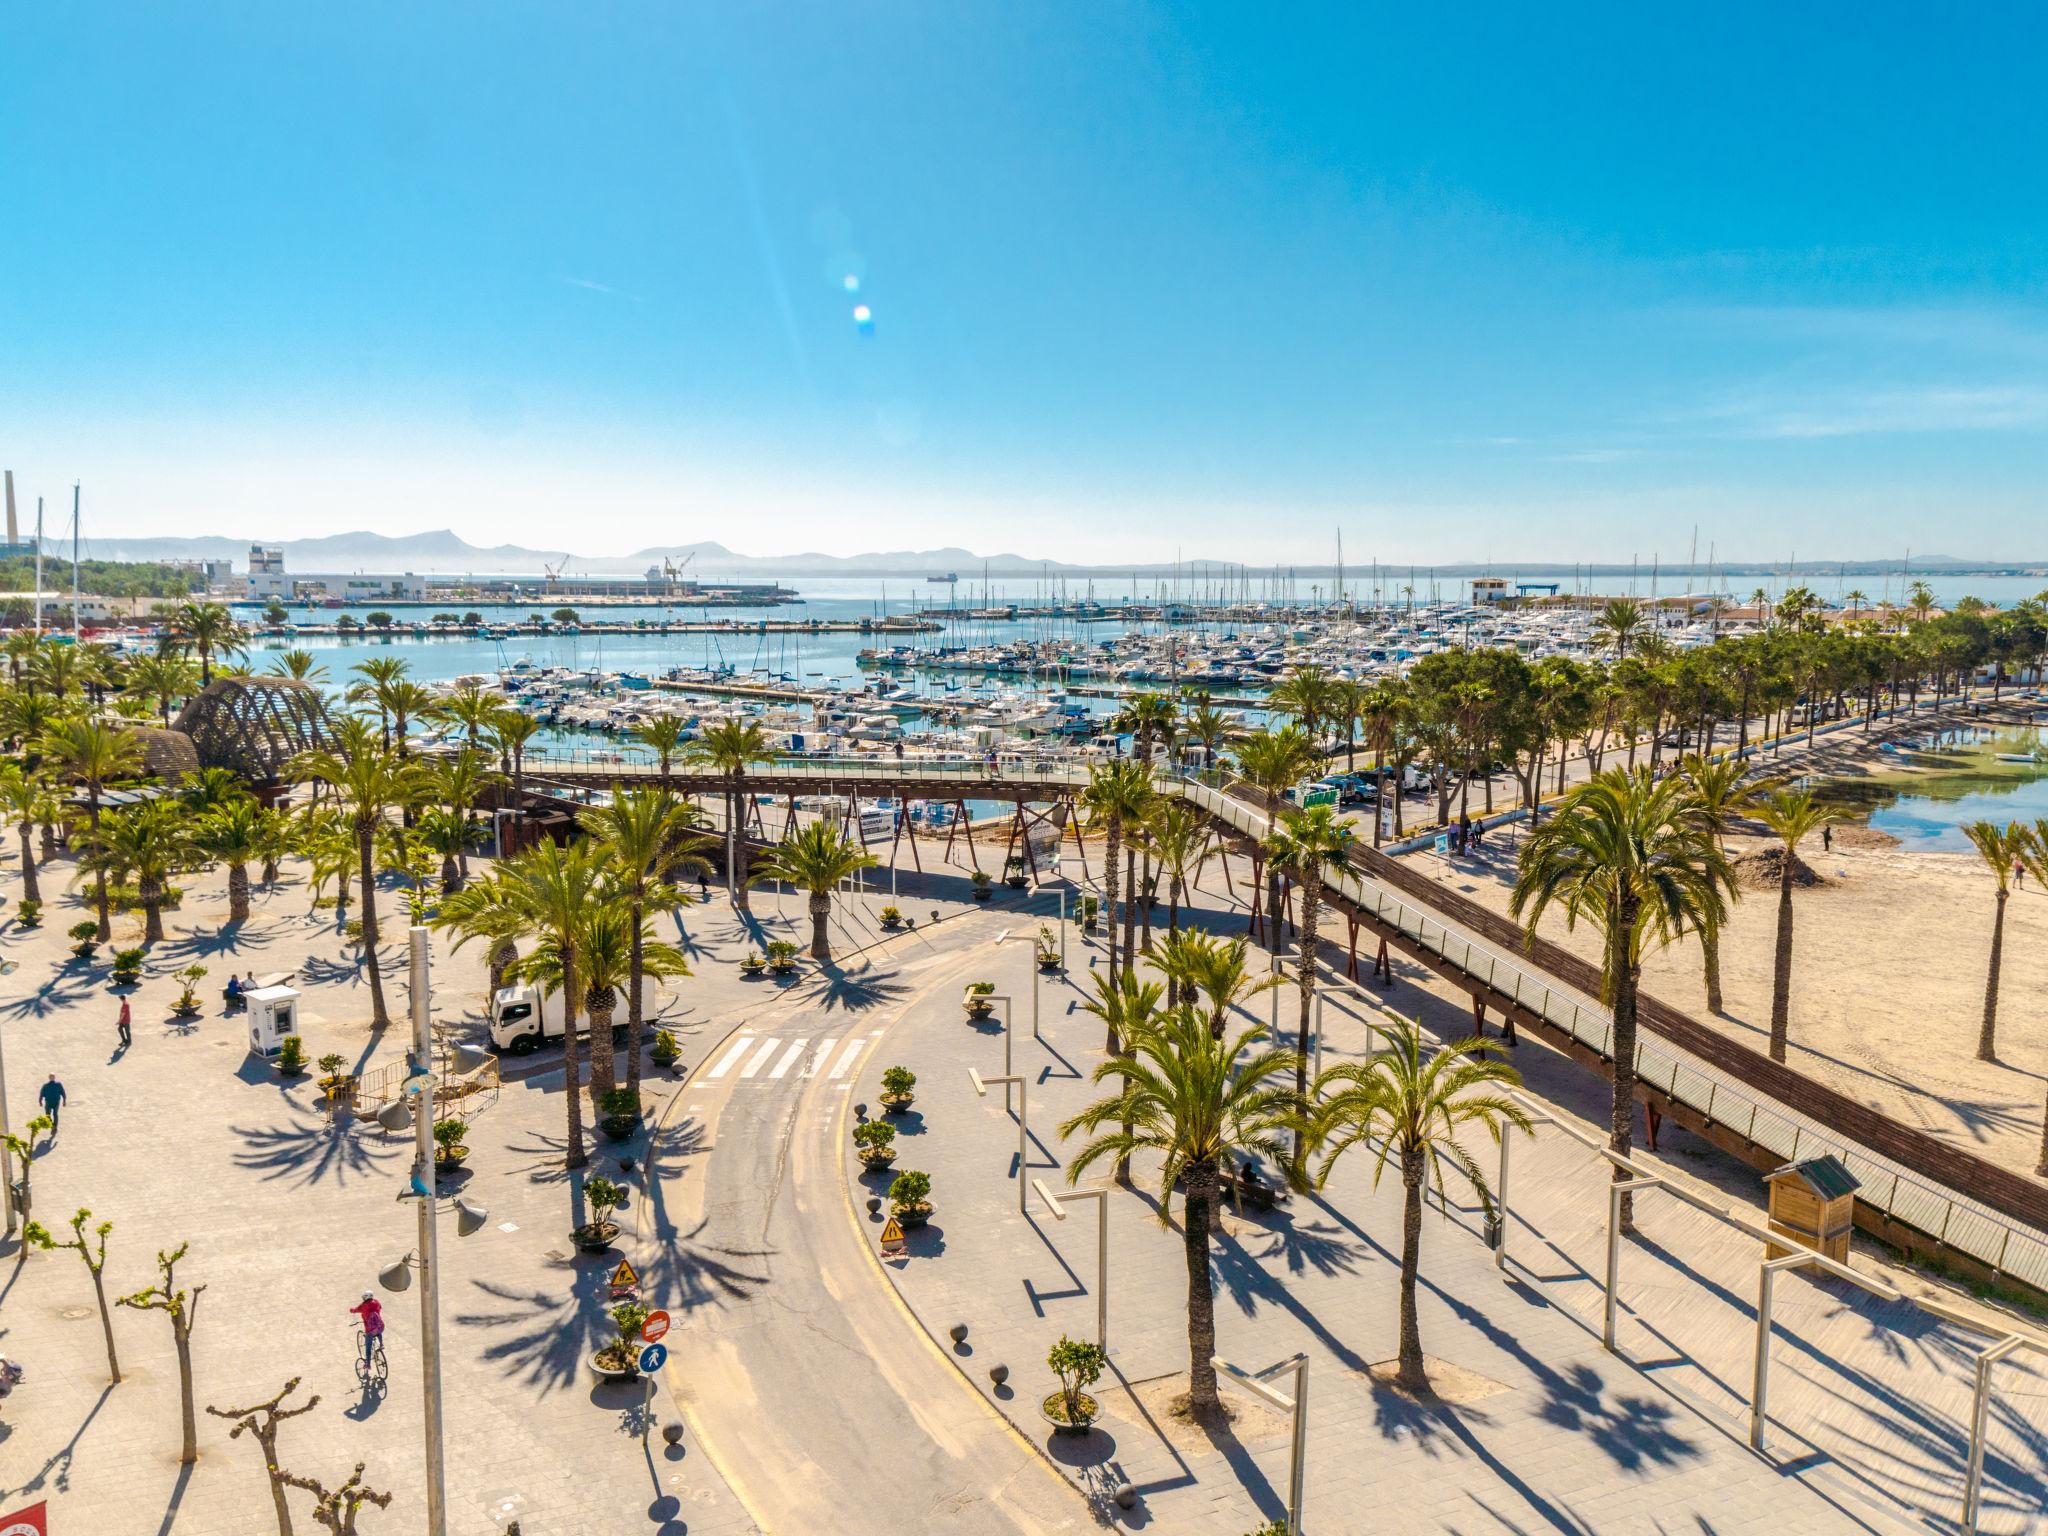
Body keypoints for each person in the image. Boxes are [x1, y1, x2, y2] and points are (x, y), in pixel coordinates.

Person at [350, 1292, 385, 1366]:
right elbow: (380, 1307)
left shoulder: (363, 1305)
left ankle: (368, 1365)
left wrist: (351, 1310)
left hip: (370, 1331)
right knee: (378, 1330)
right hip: (381, 1326)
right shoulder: (376, 1302)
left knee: (368, 1348)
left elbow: (356, 1309)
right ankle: (381, 1344)